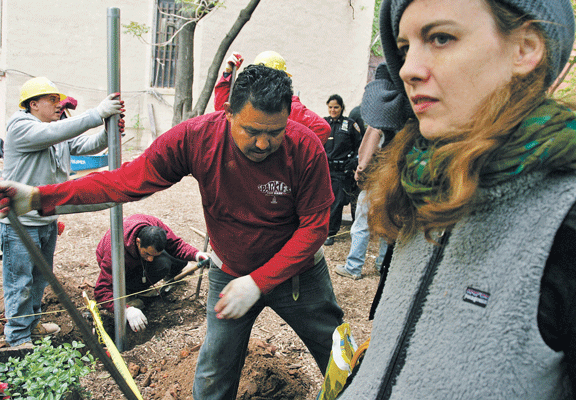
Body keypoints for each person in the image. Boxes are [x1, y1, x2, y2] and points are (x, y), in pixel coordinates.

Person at [0, 65, 344, 399]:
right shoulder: (196, 139)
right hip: (231, 272)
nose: (264, 143)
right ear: (227, 112)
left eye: (275, 131)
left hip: (299, 275)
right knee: (214, 374)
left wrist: (258, 283)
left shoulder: (304, 147)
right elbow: (125, 181)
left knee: (339, 359)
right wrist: (38, 197)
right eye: (252, 131)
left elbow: (315, 227)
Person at [337, 0, 576, 398]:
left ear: (525, 49)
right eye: (406, 48)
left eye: (441, 37)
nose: (407, 68)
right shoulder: (419, 186)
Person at [0, 77, 124, 350]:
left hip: (46, 220)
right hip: (20, 224)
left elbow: (86, 145)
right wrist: (96, 114)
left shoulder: (55, 131)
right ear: (33, 104)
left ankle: (31, 325)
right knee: (19, 282)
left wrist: (109, 131)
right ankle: (18, 337)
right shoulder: (21, 127)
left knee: (39, 279)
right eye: (52, 100)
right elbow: (59, 134)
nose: (59, 105)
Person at [94, 214, 206, 333]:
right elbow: (101, 291)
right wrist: (126, 310)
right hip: (124, 269)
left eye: (153, 255)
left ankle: (159, 267)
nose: (150, 259)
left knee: (179, 260)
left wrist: (197, 255)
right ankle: (131, 289)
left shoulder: (154, 225)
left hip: (135, 255)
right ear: (138, 242)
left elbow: (176, 245)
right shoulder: (114, 252)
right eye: (147, 254)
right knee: (163, 265)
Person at [214, 51, 331, 146]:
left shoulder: (291, 107)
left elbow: (322, 128)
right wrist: (228, 74)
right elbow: (223, 112)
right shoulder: (250, 101)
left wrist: (294, 154)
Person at [334, 126, 394, 280]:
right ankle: (383, 264)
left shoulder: (378, 124)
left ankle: (353, 267)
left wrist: (361, 171)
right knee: (387, 226)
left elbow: (369, 151)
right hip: (393, 181)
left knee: (361, 225)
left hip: (376, 179)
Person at [323, 94, 361, 246]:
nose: (333, 110)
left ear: (342, 108)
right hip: (325, 169)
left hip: (341, 171)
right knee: (322, 201)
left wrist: (354, 161)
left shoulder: (350, 125)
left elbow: (360, 145)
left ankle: (330, 233)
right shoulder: (322, 122)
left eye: (336, 107)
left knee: (336, 202)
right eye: (331, 107)